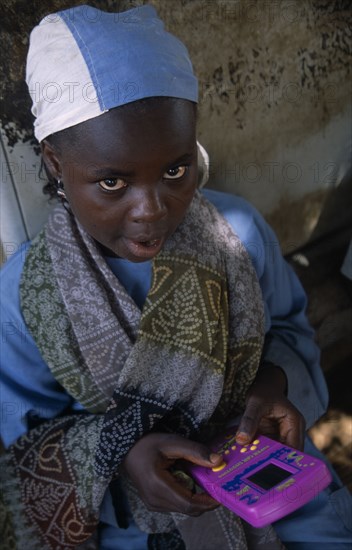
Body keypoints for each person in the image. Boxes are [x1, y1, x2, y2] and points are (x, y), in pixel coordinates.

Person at [0, 4, 351, 550]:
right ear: (54, 164)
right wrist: (122, 458)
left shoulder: (239, 234)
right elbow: (21, 450)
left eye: (175, 169)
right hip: (135, 525)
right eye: (113, 182)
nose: (152, 209)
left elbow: (289, 331)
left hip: (275, 487)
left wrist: (274, 384)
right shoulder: (29, 295)